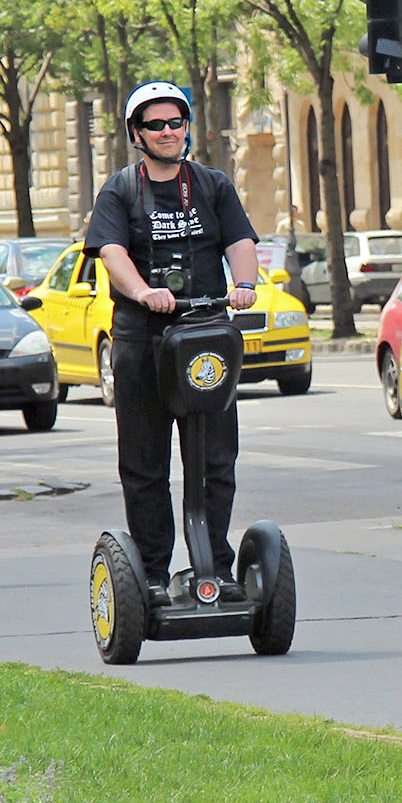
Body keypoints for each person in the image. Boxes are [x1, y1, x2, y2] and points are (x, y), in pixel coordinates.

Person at [85, 81, 260, 605]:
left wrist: (246, 285)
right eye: (156, 125)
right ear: (137, 133)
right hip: (142, 341)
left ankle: (216, 566)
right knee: (144, 463)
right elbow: (111, 251)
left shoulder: (211, 184)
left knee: (214, 459)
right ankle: (155, 573)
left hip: (203, 336)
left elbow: (241, 241)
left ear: (187, 127)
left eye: (175, 122)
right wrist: (143, 291)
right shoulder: (121, 189)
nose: (168, 132)